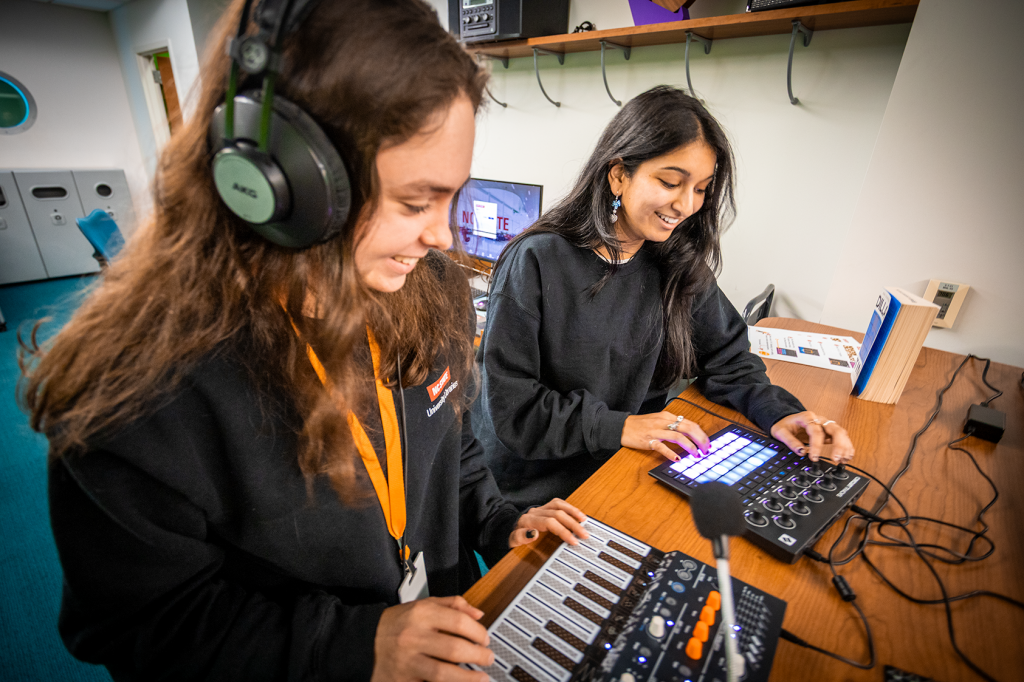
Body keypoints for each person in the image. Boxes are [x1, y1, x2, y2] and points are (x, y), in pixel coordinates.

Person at [20, 1, 587, 680]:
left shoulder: (425, 287)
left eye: (451, 198)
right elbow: (145, 626)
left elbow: (451, 444)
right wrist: (355, 646)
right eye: (414, 203)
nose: (444, 237)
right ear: (285, 183)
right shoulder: (135, 393)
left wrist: (500, 522)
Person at [474, 86, 855, 510]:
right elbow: (513, 408)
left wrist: (781, 413)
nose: (687, 205)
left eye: (701, 188)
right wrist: (621, 427)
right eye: (671, 182)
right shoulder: (537, 261)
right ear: (618, 174)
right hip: (536, 488)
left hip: (622, 464)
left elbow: (728, 359)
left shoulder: (675, 260)